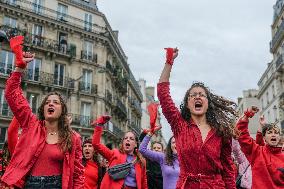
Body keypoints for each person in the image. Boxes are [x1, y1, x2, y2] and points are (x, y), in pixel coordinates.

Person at [1, 35, 84, 188]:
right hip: (30, 184)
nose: (50, 104)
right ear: (43, 108)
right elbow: (12, 94)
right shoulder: (32, 125)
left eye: (56, 102)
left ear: (62, 111)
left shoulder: (73, 138)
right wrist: (19, 68)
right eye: (47, 102)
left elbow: (78, 174)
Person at [157, 48, 236, 188]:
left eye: (201, 94)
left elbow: (228, 170)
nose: (197, 96)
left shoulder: (221, 131)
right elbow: (163, 94)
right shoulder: (179, 125)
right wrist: (169, 62)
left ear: (208, 103)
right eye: (193, 95)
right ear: (187, 104)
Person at [92, 115, 148, 189]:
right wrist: (100, 124)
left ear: (135, 144)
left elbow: (143, 182)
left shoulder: (141, 161)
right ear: (123, 142)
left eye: (131, 139)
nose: (128, 140)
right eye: (125, 138)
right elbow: (96, 144)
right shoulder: (114, 153)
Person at [236, 106, 284, 188]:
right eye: (270, 132)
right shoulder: (256, 152)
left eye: (276, 133)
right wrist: (247, 115)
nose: (273, 134)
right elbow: (242, 135)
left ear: (279, 137)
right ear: (264, 137)